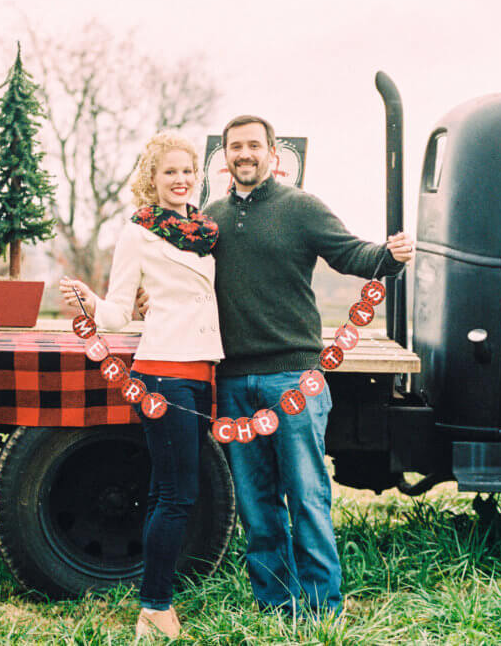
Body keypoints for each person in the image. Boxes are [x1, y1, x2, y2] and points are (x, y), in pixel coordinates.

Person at [204, 115, 415, 616]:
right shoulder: (209, 217)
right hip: (234, 381)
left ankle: (323, 611)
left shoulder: (300, 208)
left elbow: (352, 255)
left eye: (254, 145)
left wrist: (391, 255)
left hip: (293, 378)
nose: (245, 154)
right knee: (256, 508)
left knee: (307, 499)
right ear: (225, 156)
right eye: (236, 147)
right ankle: (274, 605)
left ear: (273, 153)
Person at [59, 131, 222, 639]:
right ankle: (155, 607)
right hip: (165, 370)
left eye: (187, 171)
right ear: (151, 179)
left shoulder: (207, 232)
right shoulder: (138, 232)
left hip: (202, 370)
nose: (180, 179)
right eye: (169, 171)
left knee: (163, 492)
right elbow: (119, 310)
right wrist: (88, 300)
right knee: (178, 495)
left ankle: (154, 602)